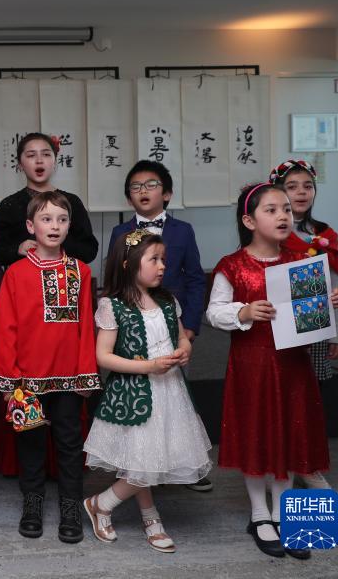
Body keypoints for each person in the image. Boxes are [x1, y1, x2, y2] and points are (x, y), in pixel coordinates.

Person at [206, 182, 338, 560]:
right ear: (249, 221)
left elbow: (311, 319)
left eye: (286, 209)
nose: (283, 215)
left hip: (293, 366)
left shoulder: (301, 262)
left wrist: (328, 301)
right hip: (252, 366)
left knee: (289, 433)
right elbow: (214, 313)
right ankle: (259, 514)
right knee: (256, 435)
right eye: (271, 210)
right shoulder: (232, 265)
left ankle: (286, 515)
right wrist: (244, 311)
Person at [83, 229, 213, 553]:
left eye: (163, 259)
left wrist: (184, 350)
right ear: (128, 263)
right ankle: (102, 503)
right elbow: (103, 356)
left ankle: (147, 514)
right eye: (153, 259)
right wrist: (149, 366)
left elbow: (180, 337)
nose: (162, 266)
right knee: (144, 461)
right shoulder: (113, 305)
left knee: (148, 458)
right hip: (134, 395)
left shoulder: (168, 301)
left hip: (170, 393)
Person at [0, 191, 100, 544]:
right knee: (31, 443)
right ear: (30, 225)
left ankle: (70, 506)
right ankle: (32, 503)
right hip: (26, 380)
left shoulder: (81, 271)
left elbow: (86, 327)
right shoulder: (16, 273)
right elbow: (5, 328)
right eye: (46, 219)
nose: (54, 226)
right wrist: (9, 380)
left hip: (69, 379)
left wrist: (86, 374)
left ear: (70, 226)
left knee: (70, 443)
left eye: (62, 219)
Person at [107, 160, 211, 492]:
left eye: (151, 184)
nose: (143, 191)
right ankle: (136, 464)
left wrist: (189, 327)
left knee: (177, 399)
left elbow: (195, 280)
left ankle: (184, 466)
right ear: (128, 197)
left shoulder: (183, 230)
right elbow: (114, 279)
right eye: (136, 187)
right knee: (135, 396)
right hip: (134, 327)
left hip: (173, 324)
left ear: (166, 193)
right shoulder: (120, 233)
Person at [269, 160, 338, 486]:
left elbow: (335, 285)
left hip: (315, 329)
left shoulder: (324, 234)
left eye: (307, 186)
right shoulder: (268, 231)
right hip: (277, 330)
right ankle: (281, 466)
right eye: (292, 186)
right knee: (280, 400)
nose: (301, 193)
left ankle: (306, 463)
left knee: (310, 402)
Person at [0, 132, 98, 269]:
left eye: (46, 154)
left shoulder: (72, 201)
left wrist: (56, 244)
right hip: (24, 279)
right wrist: (17, 249)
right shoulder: (8, 206)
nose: (39, 160)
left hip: (64, 278)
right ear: (20, 164)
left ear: (55, 161)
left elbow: (89, 250)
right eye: (31, 155)